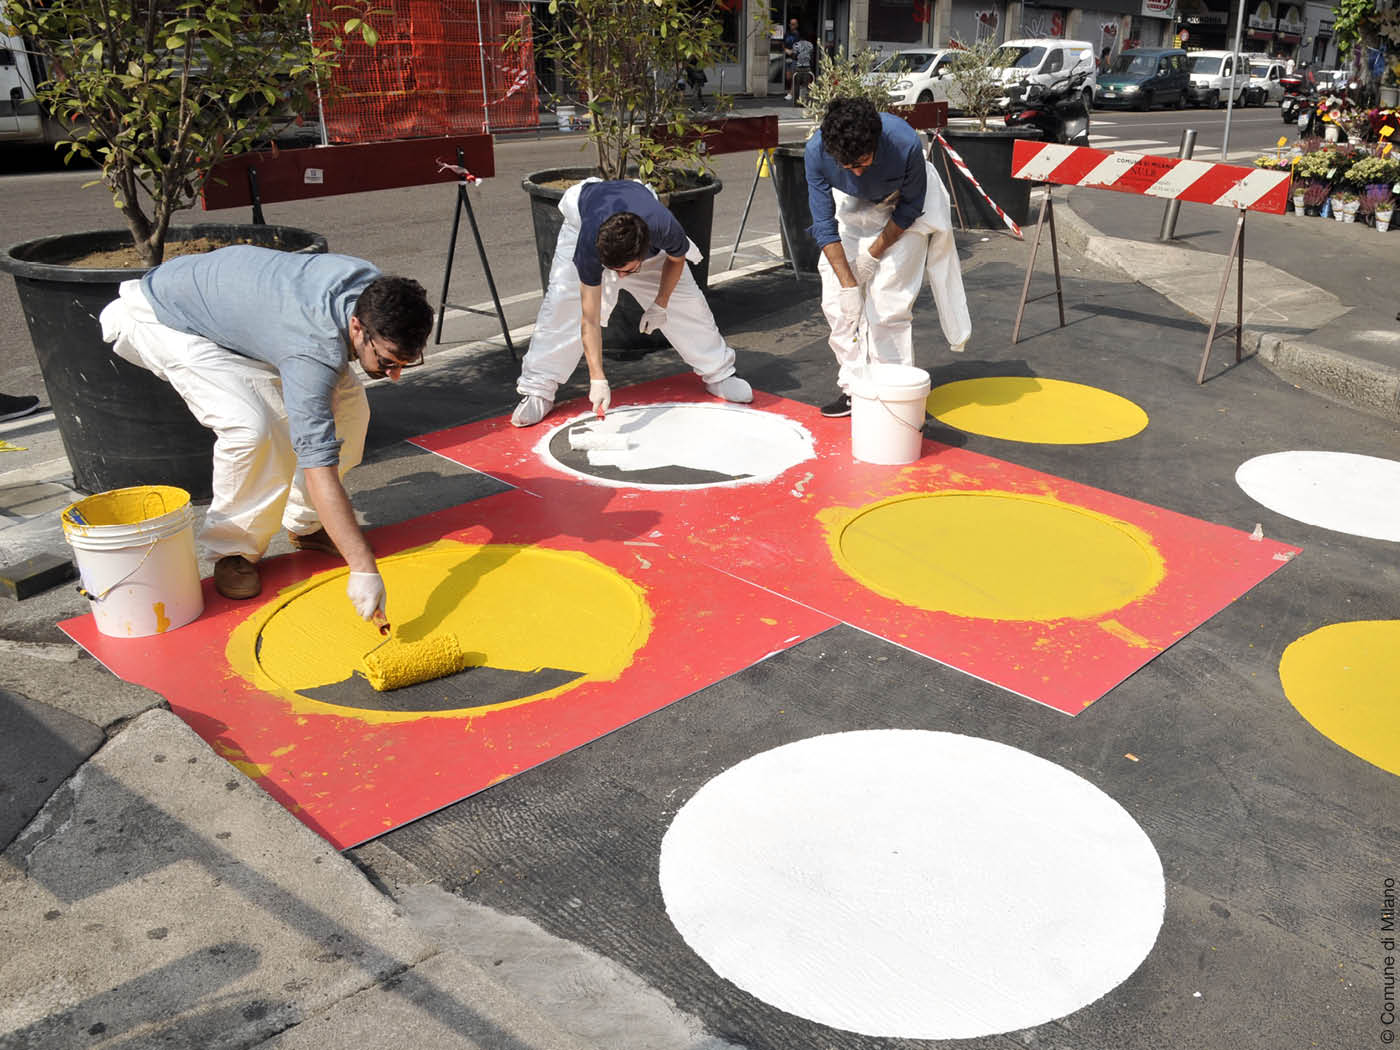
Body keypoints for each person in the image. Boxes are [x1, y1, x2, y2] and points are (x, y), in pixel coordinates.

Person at [98, 246, 433, 616]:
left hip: (242, 317)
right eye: (387, 362)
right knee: (254, 428)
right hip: (170, 319)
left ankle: (306, 525)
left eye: (405, 362)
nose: (395, 374)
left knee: (352, 414)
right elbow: (316, 464)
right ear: (357, 326)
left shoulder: (369, 288)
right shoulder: (312, 348)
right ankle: (233, 550)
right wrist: (363, 568)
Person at [511, 179, 752, 428]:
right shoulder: (589, 249)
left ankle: (720, 374)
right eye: (614, 271)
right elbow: (590, 318)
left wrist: (661, 303)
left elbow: (676, 260)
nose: (620, 278)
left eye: (626, 271)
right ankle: (538, 388)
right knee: (563, 306)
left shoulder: (664, 227)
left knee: (688, 303)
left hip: (639, 226)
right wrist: (597, 378)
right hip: (585, 220)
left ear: (645, 252)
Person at [804, 97, 972, 417]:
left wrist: (872, 255)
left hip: (903, 208)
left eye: (863, 162)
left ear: (877, 143)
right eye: (847, 165)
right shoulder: (816, 151)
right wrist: (848, 284)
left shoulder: (903, 143)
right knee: (839, 307)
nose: (855, 169)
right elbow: (824, 226)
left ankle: (892, 392)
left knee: (887, 305)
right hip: (854, 204)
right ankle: (855, 388)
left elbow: (911, 208)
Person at [782, 17, 802, 100]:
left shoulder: (798, 35)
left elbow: (800, 46)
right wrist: (785, 49)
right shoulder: (787, 34)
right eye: (790, 24)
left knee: (793, 76)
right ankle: (797, 89)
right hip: (787, 57)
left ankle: (791, 93)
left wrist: (793, 51)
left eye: (793, 24)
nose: (792, 26)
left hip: (795, 58)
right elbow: (783, 43)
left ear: (797, 25)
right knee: (788, 77)